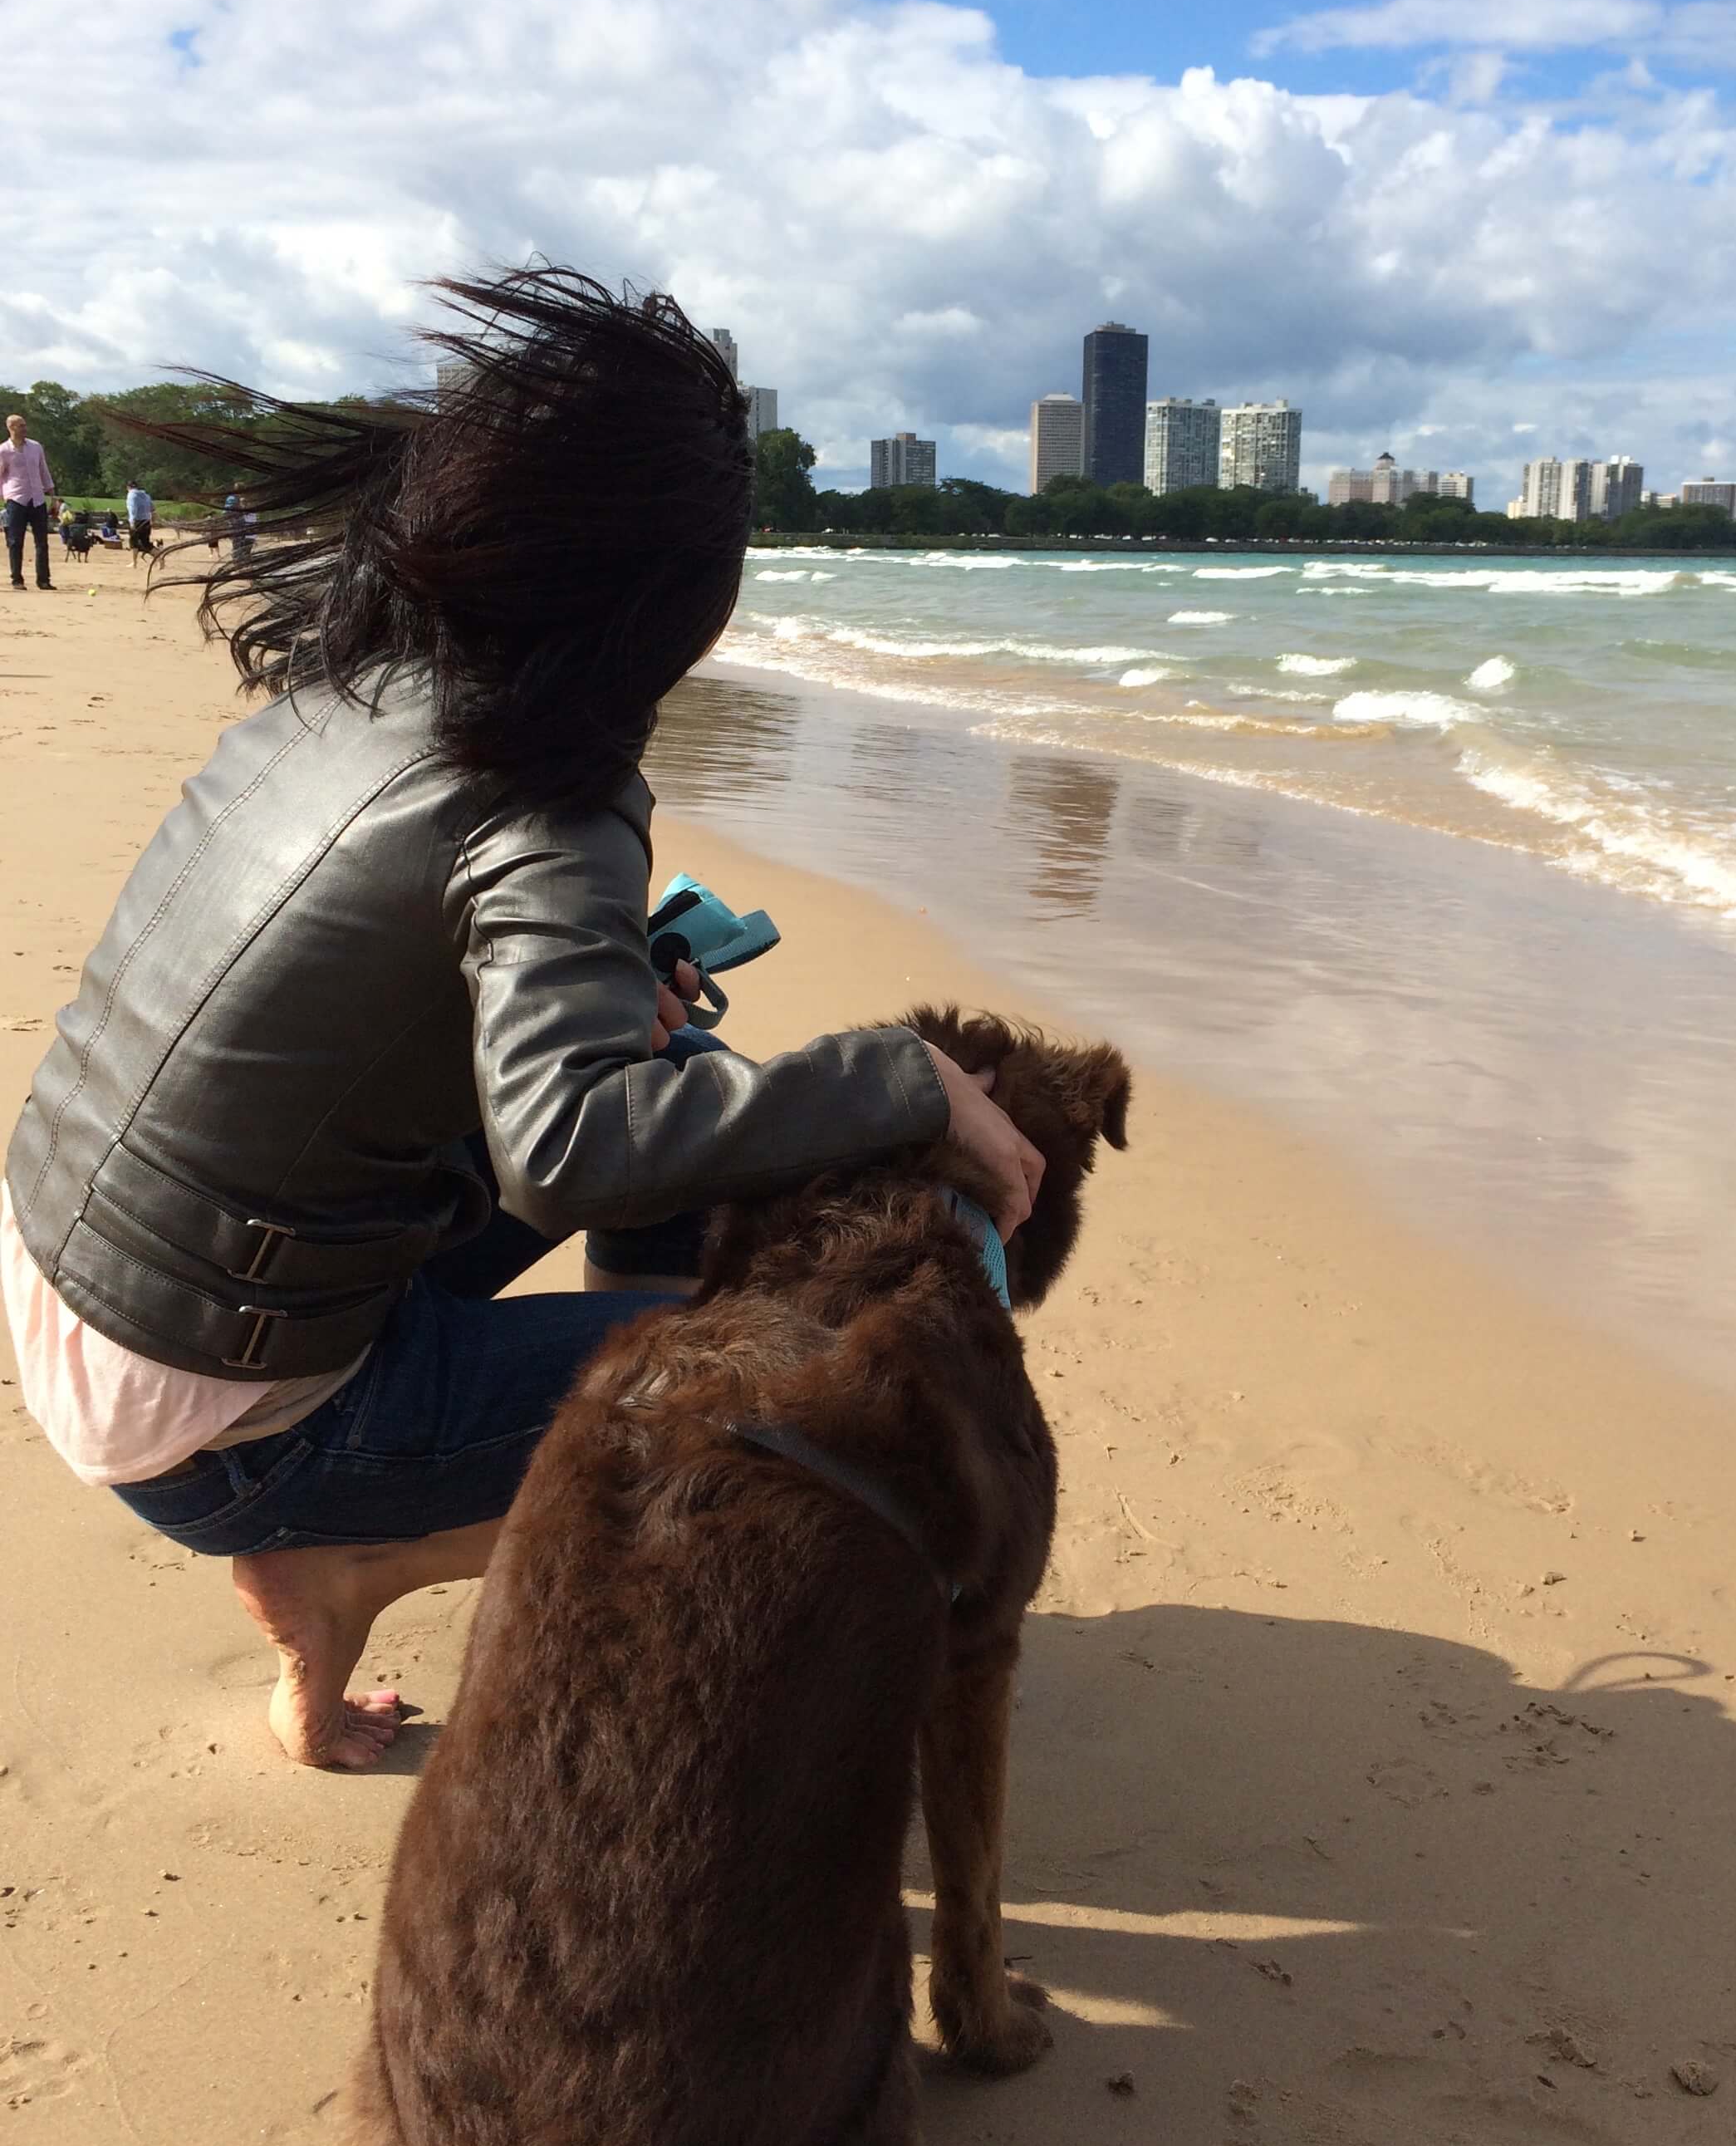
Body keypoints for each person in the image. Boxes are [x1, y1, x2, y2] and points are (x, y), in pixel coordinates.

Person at [1, 268, 1043, 1770]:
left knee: (688, 1098)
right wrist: (907, 1078)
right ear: (661, 597)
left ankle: (405, 1524)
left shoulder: (351, 683)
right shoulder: (543, 785)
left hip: (84, 1292)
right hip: (219, 1407)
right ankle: (359, 1558)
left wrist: (609, 973)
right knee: (825, 1377)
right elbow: (566, 1147)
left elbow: (397, 1016)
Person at [2, 410, 55, 590]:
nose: (25, 429)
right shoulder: (4, 451)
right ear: (11, 428)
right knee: (16, 541)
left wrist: (51, 492)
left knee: (42, 541)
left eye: (25, 425)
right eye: (21, 426)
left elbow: (43, 469)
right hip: (16, 498)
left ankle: (44, 580)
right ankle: (17, 579)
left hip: (37, 498)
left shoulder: (36, 447)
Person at [126, 480, 154, 559]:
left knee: (133, 542)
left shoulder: (131, 495)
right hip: (146, 521)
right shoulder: (146, 495)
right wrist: (152, 520)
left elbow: (132, 509)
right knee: (146, 543)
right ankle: (160, 557)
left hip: (137, 521)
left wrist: (132, 522)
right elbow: (152, 509)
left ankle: (134, 562)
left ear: (128, 487)